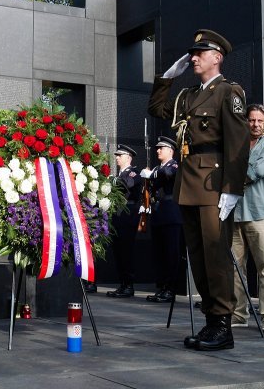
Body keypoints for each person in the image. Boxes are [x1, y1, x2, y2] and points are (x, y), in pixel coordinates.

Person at [148, 29, 250, 351]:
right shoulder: (187, 95)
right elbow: (156, 110)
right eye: (192, 53)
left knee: (215, 255)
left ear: (217, 57)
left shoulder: (228, 92)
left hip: (213, 183)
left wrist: (232, 188)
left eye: (199, 53)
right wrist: (166, 78)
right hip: (189, 182)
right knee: (198, 257)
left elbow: (238, 143)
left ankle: (223, 323)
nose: (193, 58)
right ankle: (211, 321)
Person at [230, 104, 264, 333]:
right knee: (235, 269)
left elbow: (253, 173)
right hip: (236, 214)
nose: (256, 125)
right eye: (252, 120)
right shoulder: (238, 145)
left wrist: (235, 169)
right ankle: (239, 314)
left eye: (260, 121)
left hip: (260, 214)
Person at [141, 137, 183, 303]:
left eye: (161, 148)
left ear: (170, 150)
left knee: (171, 253)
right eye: (157, 148)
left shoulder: (174, 164)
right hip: (159, 214)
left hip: (172, 213)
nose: (158, 150)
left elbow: (168, 174)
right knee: (159, 253)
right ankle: (162, 287)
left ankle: (170, 288)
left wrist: (152, 174)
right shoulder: (157, 168)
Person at [105, 144, 142, 298]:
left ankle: (128, 285)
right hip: (118, 216)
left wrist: (112, 181)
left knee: (126, 251)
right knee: (118, 252)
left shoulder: (133, 173)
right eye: (117, 155)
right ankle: (123, 283)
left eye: (120, 155)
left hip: (128, 216)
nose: (117, 158)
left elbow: (127, 184)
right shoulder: (119, 175)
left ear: (128, 157)